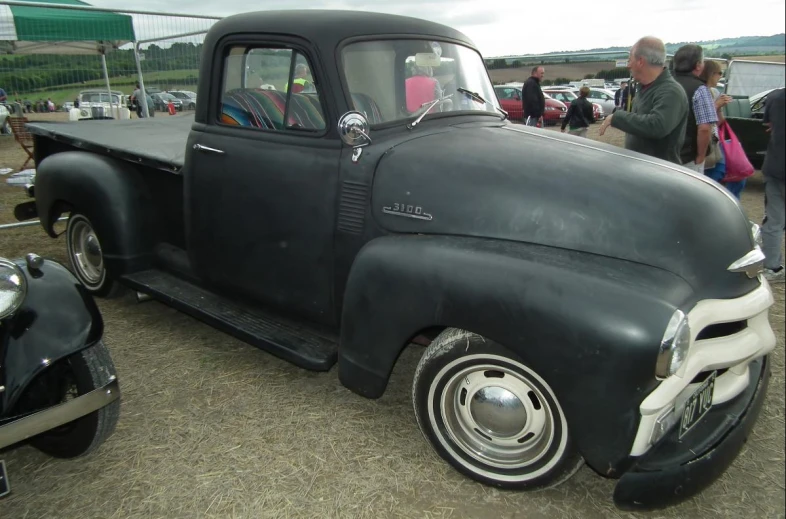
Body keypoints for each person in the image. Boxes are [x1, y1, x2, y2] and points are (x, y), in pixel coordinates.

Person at [598, 36, 688, 164]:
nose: (628, 65)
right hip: (641, 169)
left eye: (630, 60)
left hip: (658, 174)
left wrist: (617, 117)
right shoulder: (644, 87)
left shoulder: (671, 91)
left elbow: (658, 125)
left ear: (640, 61)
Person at [698, 60, 747, 197]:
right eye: (719, 73)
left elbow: (719, 122)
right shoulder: (698, 92)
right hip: (705, 146)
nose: (720, 76)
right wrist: (715, 106)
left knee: (738, 177)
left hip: (715, 144)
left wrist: (720, 108)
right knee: (711, 184)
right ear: (710, 73)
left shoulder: (714, 92)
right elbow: (699, 119)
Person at [672, 44, 718, 174]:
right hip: (687, 158)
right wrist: (700, 156)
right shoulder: (700, 89)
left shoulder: (665, 84)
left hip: (663, 155)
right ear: (698, 65)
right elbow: (704, 128)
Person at [761, 87, 785, 283]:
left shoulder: (775, 97)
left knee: (774, 219)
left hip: (776, 165)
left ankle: (771, 266)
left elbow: (769, 124)